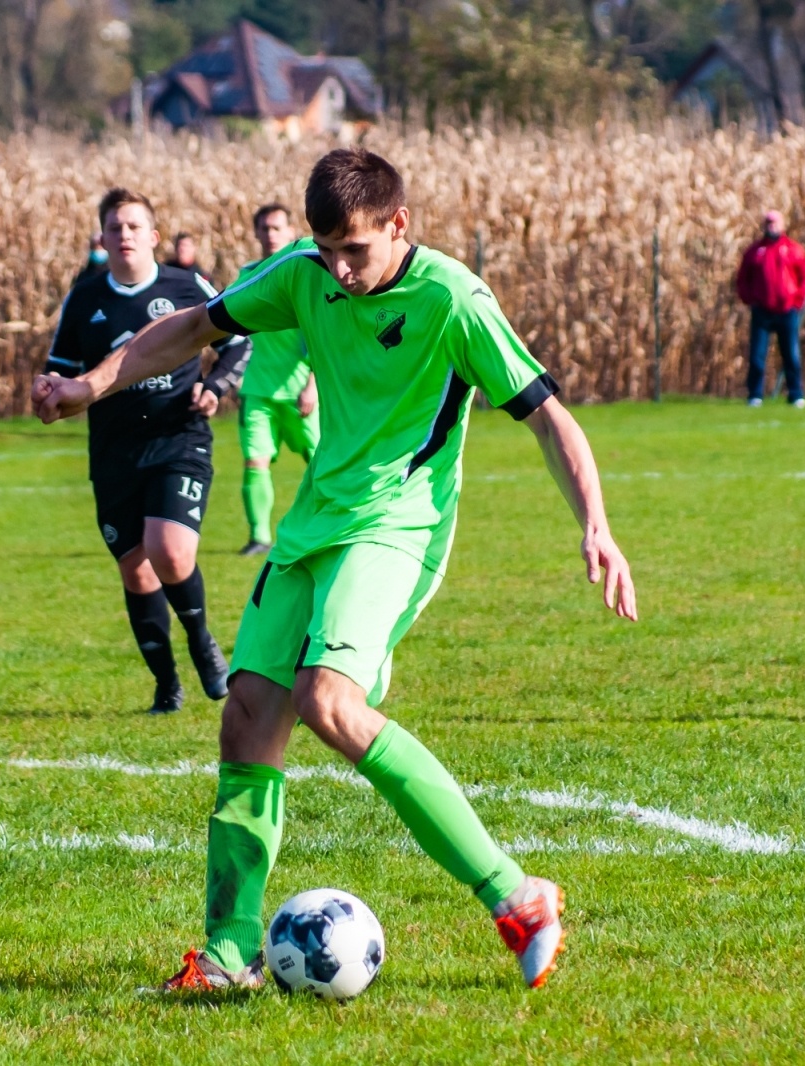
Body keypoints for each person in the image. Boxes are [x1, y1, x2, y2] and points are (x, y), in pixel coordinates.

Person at [33, 149, 638, 993]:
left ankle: (519, 897)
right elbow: (196, 326)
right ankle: (228, 956)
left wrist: (596, 525)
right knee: (247, 717)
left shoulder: (452, 300)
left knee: (327, 701)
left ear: (399, 224)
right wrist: (92, 384)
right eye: (327, 251)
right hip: (313, 524)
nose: (341, 270)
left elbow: (549, 418)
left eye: (355, 249)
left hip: (398, 527)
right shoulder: (305, 274)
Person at [44, 188, 251, 714]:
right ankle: (166, 684)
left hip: (178, 437)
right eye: (115, 227)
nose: (125, 235)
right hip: (114, 449)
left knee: (171, 551)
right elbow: (60, 369)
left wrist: (215, 387)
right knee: (136, 571)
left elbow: (237, 342)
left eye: (135, 226)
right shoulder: (85, 297)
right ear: (102, 238)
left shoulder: (186, 285)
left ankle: (202, 642)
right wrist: (46, 390)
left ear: (154, 236)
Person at [233, 203, 319, 556]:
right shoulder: (246, 277)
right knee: (255, 463)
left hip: (300, 391)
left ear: (291, 232)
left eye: (277, 228)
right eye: (265, 228)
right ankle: (258, 537)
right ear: (256, 233)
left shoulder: (304, 276)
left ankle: (329, 527)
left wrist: (313, 384)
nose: (270, 234)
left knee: (321, 463)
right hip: (257, 390)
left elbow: (320, 335)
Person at [735, 210, 805, 408]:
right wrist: (750, 299)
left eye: (775, 223)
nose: (771, 226)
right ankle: (755, 395)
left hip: (787, 310)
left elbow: (804, 277)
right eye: (768, 223)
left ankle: (795, 394)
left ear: (782, 225)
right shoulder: (755, 251)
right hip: (762, 311)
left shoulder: (793, 249)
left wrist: (797, 301)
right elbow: (743, 279)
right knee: (757, 355)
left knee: (791, 355)